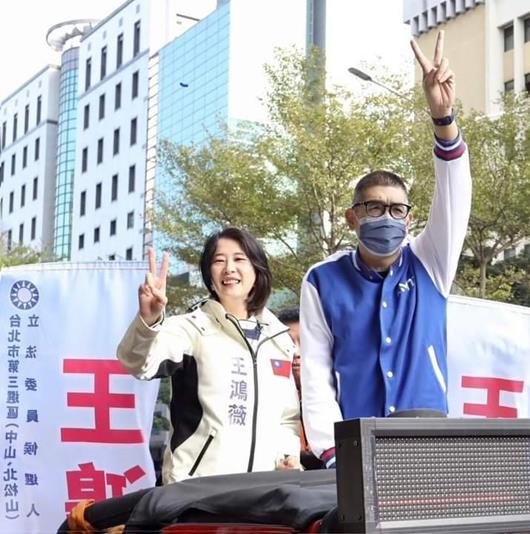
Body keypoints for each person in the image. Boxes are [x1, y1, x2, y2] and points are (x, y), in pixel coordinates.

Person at [300, 31, 471, 468]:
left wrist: (443, 117)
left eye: (397, 210)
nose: (387, 217)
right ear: (352, 217)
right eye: (374, 207)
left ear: (409, 220)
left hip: (428, 441)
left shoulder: (431, 262)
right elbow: (316, 373)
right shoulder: (322, 280)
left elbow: (455, 194)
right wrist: (332, 453)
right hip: (356, 446)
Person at [117, 228, 301, 484]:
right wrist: (148, 321)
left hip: (264, 489)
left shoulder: (278, 338)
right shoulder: (190, 328)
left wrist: (287, 455)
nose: (229, 268)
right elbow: (138, 363)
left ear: (257, 269)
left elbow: (287, 417)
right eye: (218, 260)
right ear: (209, 274)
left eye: (239, 259)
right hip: (198, 487)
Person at [277, 307, 325, 470]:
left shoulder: (333, 398)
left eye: (304, 343)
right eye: (288, 344)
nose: (296, 352)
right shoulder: (268, 399)